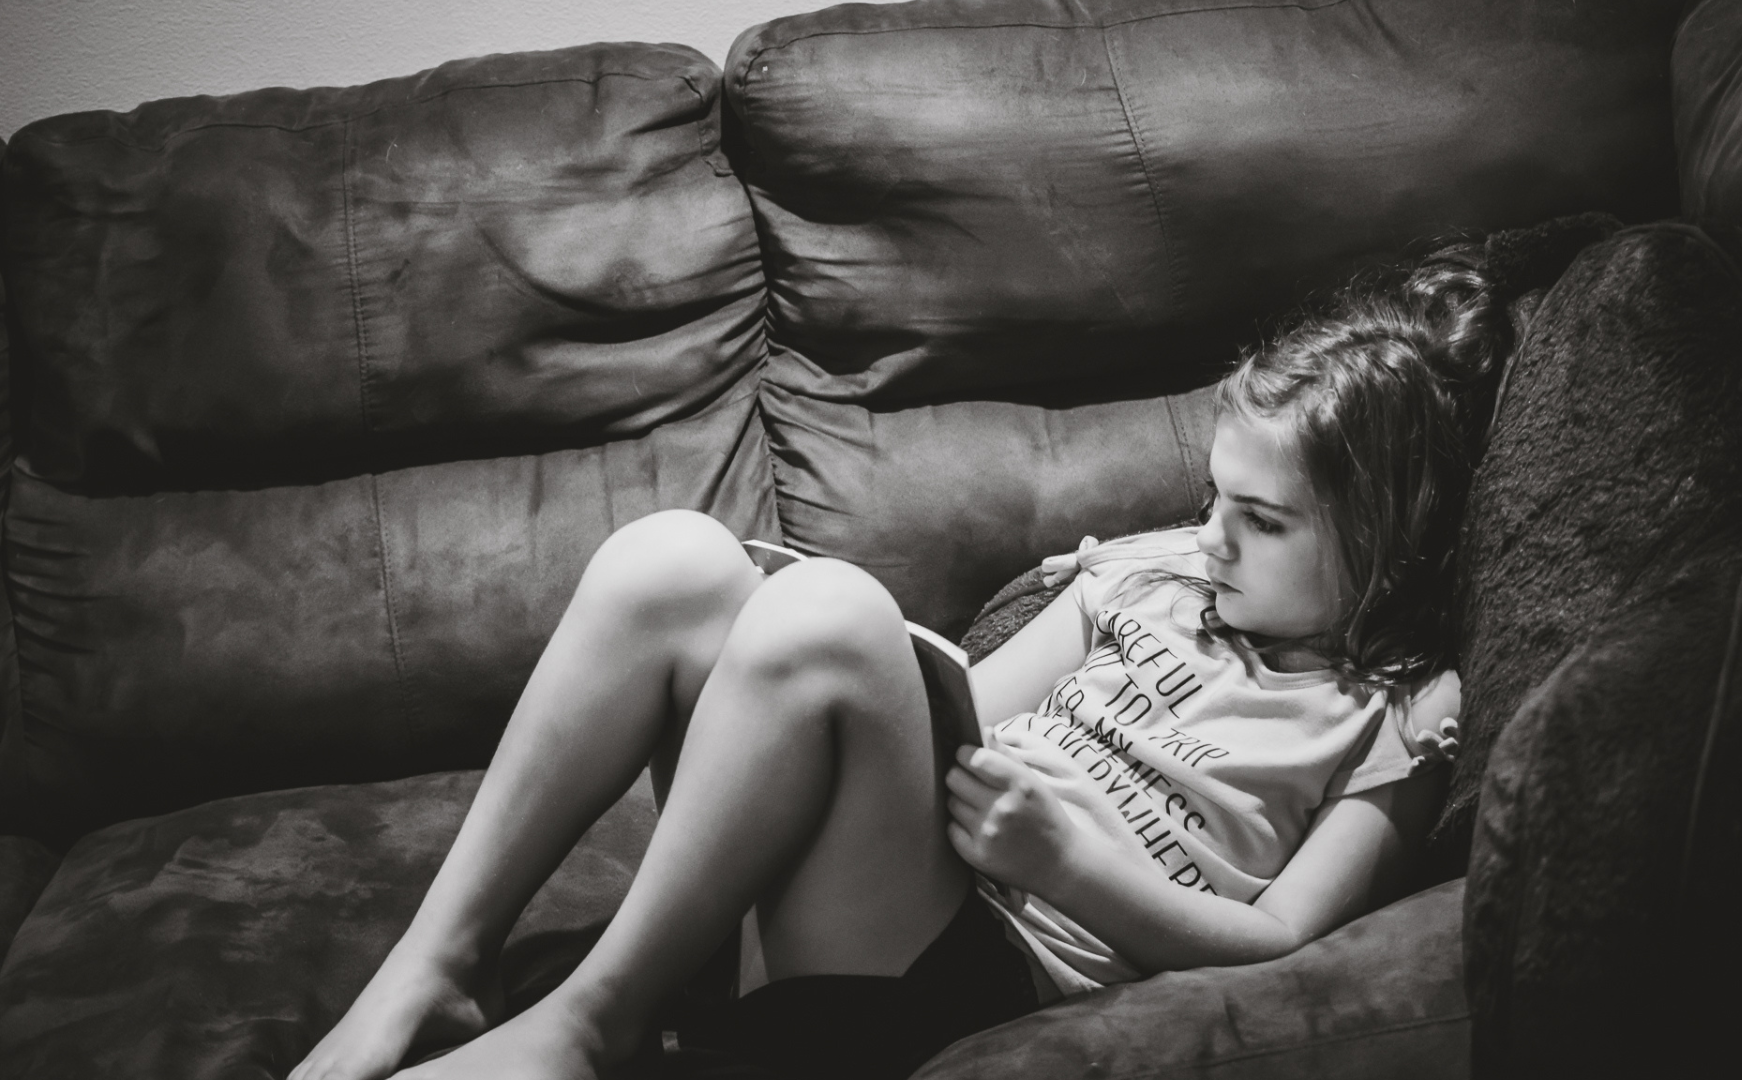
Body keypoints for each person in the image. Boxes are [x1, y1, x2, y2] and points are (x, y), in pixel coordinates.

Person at [289, 245, 1495, 1080]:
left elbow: (1291, 940)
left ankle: (595, 1021)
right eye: (1214, 497)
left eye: (1264, 521)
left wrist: (1072, 864)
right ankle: (434, 963)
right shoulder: (1159, 573)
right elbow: (969, 714)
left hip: (981, 968)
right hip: (878, 892)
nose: (1214, 535)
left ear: (1385, 537)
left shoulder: (1398, 709)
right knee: (672, 560)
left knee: (830, 613)